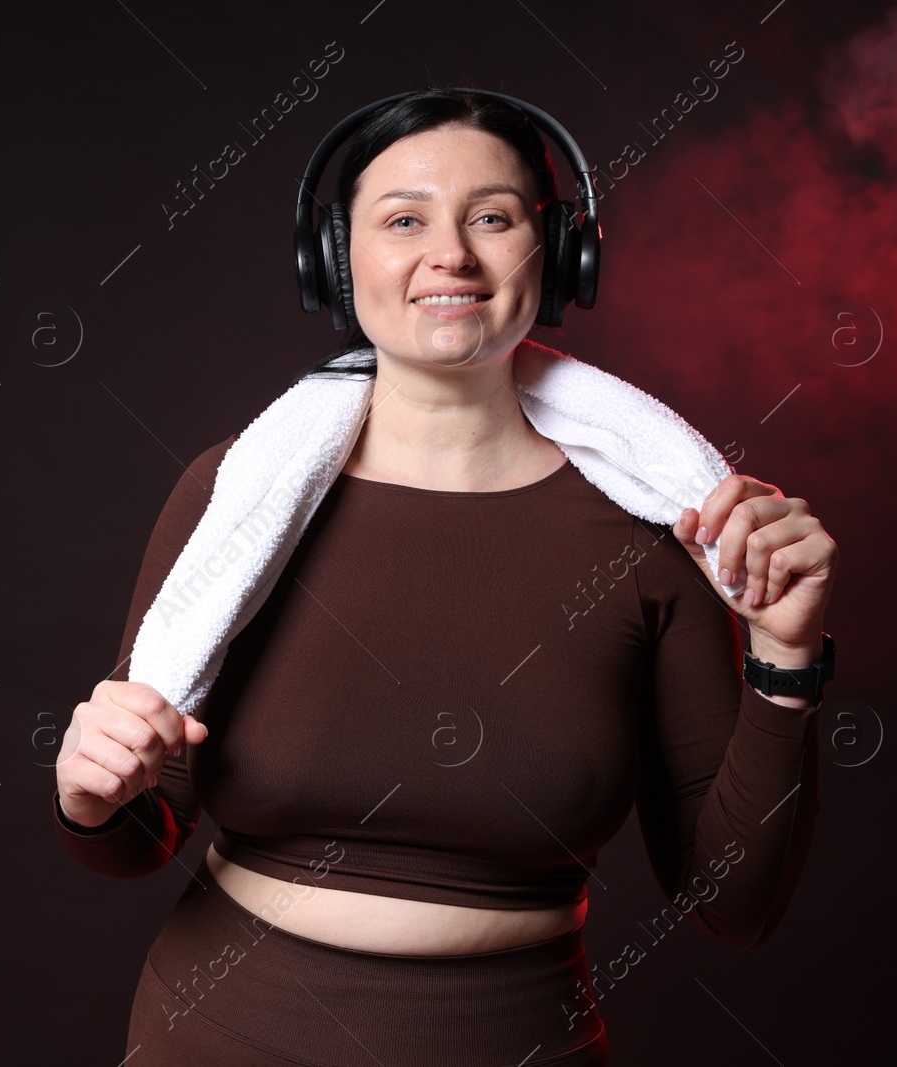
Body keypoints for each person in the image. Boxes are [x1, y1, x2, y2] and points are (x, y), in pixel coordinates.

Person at [51, 87, 838, 1066]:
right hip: (215, 1035)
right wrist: (89, 794)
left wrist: (785, 657)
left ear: (557, 257)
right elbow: (140, 830)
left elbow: (735, 904)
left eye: (493, 217)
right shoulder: (236, 498)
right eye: (404, 218)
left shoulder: (663, 528)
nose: (451, 254)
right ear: (335, 260)